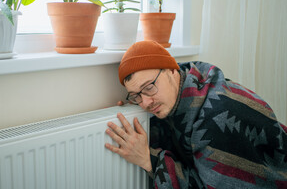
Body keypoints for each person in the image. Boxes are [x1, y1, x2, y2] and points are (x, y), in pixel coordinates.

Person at [104, 40, 287, 188]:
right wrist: (134, 114)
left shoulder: (215, 121)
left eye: (149, 88)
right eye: (136, 96)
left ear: (171, 69)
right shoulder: (190, 86)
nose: (145, 103)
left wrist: (148, 160)